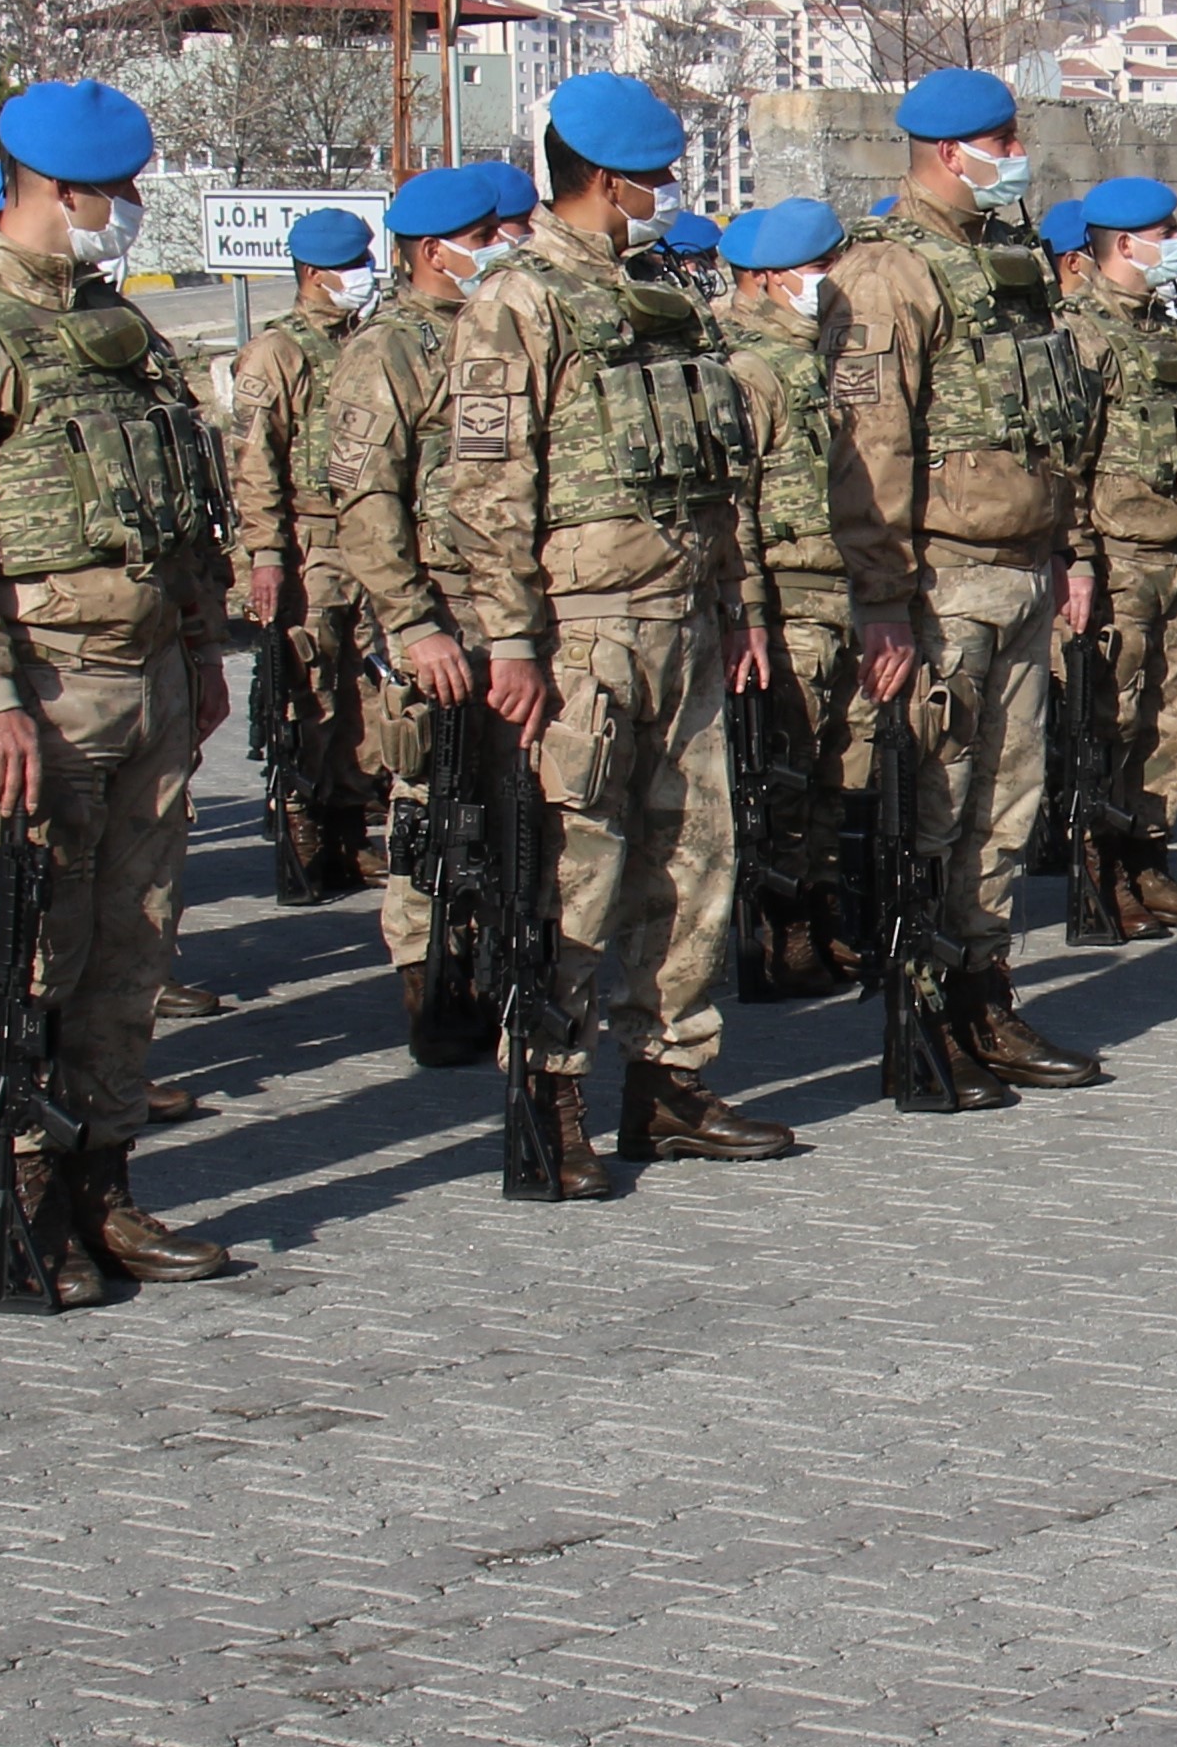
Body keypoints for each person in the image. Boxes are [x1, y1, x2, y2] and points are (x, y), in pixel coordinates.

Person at [0, 79, 251, 1303]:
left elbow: (183, 509)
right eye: (121, 191)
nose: (132, 210)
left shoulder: (114, 329)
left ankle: (108, 1188)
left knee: (133, 951)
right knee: (34, 952)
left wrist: (199, 648)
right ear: (61, 189)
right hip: (39, 694)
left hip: (143, 681)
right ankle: (31, 1207)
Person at [442, 75, 795, 1180]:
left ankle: (671, 1083)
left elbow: (717, 472)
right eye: (655, 180)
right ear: (606, 181)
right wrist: (508, 640)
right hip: (581, 637)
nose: (665, 198)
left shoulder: (667, 298)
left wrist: (735, 603)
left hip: (684, 621)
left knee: (695, 865)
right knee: (576, 871)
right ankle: (551, 1097)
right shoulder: (518, 303)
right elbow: (488, 488)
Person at [818, 67, 1108, 1100]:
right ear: (953, 152)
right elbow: (869, 449)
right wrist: (882, 602)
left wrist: (1066, 546)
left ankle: (985, 991)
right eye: (1004, 139)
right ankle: (923, 1007)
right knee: (932, 808)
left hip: (1022, 567)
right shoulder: (889, 274)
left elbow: (1054, 424)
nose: (1015, 156)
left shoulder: (1008, 263)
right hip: (941, 581)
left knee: (1007, 805)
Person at [323, 163, 532, 1042]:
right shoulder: (388, 351)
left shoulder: (505, 332)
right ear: (430, 254)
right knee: (435, 797)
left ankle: (503, 961)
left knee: (511, 800)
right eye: (485, 239)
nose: (503, 249)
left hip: (512, 613)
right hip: (442, 616)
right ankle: (431, 977)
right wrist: (410, 623)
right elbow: (365, 502)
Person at [1051, 178, 1177, 932]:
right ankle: (1100, 872)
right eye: (1165, 231)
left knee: (1172, 723)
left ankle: (1148, 863)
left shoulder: (1169, 326)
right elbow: (1065, 460)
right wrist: (1077, 561)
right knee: (1112, 719)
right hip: (1117, 559)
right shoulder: (1077, 333)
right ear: (1122, 245)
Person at [710, 194, 866, 1002]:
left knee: (839, 770)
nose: (833, 281)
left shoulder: (831, 355)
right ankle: (780, 935)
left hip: (847, 587)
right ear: (770, 280)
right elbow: (733, 501)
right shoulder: (747, 369)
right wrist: (751, 614)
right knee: (783, 774)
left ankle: (821, 913)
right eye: (819, 268)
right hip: (790, 593)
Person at [223, 199, 380, 905]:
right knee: (307, 692)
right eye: (350, 267)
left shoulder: (366, 342)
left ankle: (350, 831)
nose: (364, 277)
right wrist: (265, 555)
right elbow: (254, 463)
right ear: (314, 273)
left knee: (364, 694)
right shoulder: (276, 353)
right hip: (308, 541)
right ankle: (302, 829)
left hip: (366, 536)